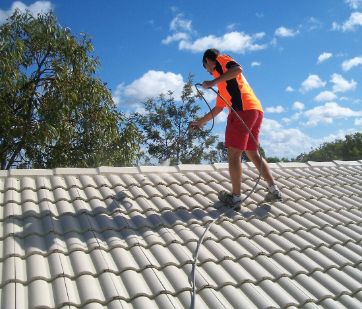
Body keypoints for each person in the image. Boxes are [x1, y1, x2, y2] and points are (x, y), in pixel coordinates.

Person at [190, 48, 282, 205]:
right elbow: (218, 108)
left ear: (208, 61)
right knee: (252, 153)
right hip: (255, 110)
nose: (208, 71)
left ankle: (236, 197)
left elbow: (238, 69)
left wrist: (212, 82)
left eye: (206, 67)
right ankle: (274, 190)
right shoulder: (223, 83)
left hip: (241, 111)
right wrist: (200, 122)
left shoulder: (221, 60)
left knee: (233, 154)